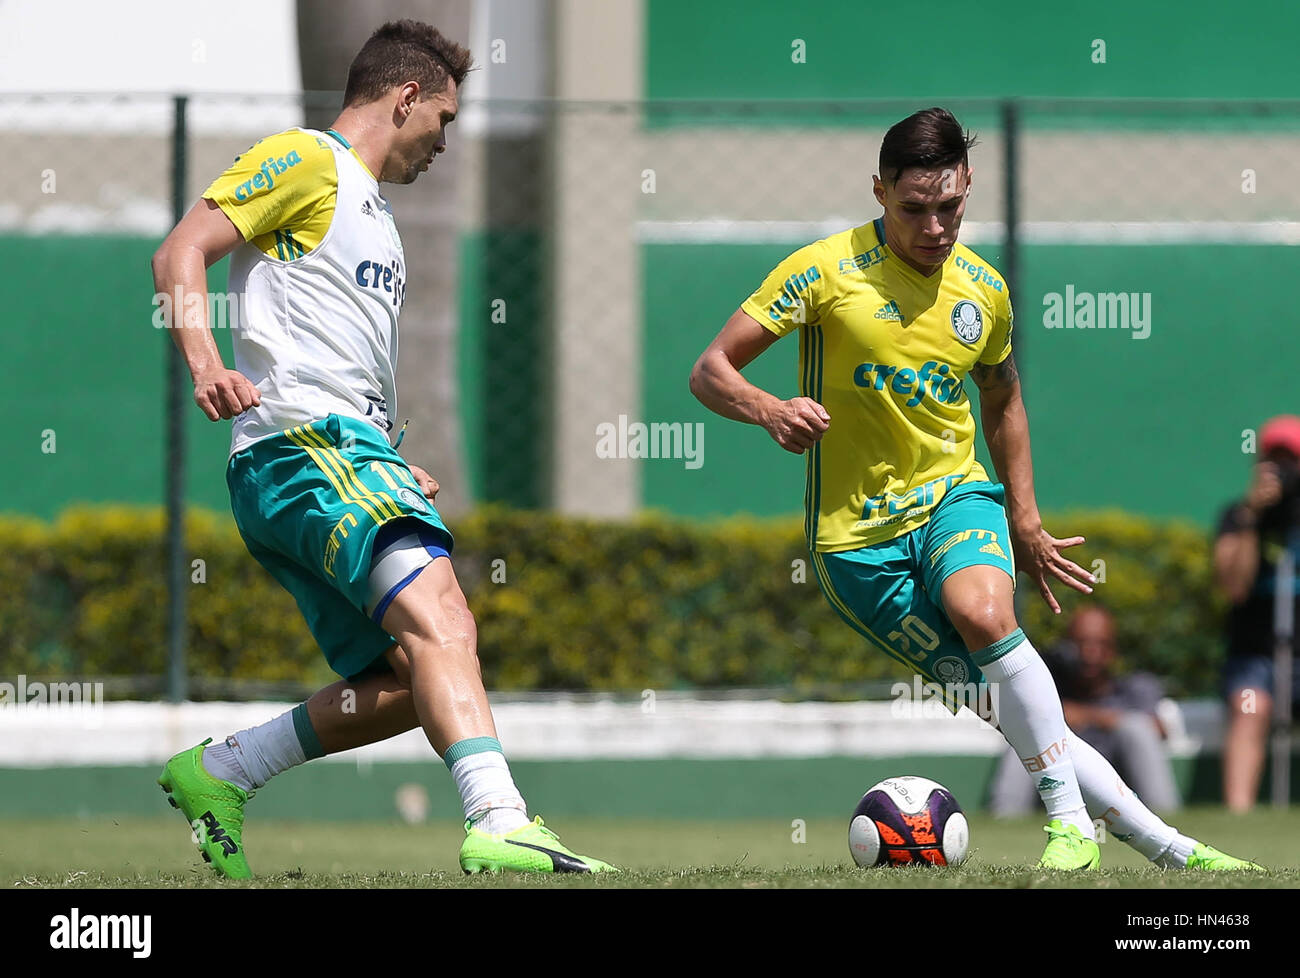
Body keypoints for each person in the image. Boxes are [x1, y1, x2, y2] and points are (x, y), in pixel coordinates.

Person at [689, 106, 1259, 871]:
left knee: (985, 612)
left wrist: (1023, 513)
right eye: (914, 208)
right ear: (879, 192)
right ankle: (1172, 849)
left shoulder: (983, 291)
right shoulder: (823, 271)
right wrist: (768, 408)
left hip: (955, 495)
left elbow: (1003, 399)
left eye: (950, 206)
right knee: (1012, 716)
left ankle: (1068, 825)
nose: (934, 226)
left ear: (967, 189)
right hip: (856, 548)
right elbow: (711, 369)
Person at [150, 20, 613, 877]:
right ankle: (500, 818)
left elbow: (335, 350)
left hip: (333, 454)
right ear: (406, 98)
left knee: (407, 680)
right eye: (442, 118)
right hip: (301, 446)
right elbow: (181, 250)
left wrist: (389, 457)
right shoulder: (305, 159)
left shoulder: (375, 216)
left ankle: (222, 769)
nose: (444, 141)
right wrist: (206, 364)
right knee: (447, 620)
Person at [988, 605, 1180, 816]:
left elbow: (1159, 730)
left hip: (1122, 792)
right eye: (1082, 644)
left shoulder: (1135, 687)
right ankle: (1007, 819)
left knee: (1135, 728)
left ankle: (1165, 819)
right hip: (1057, 792)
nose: (1091, 653)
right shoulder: (1047, 687)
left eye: (1101, 644)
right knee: (1029, 728)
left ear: (1113, 650)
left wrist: (1092, 717)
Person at [1213, 414, 1300, 812]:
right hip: (1255, 656)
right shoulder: (1239, 516)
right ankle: (1240, 813)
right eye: (1274, 460)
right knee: (1251, 704)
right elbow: (1234, 585)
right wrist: (1252, 518)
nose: (1282, 471)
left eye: (1291, 461)